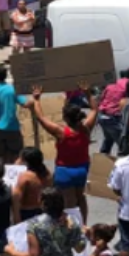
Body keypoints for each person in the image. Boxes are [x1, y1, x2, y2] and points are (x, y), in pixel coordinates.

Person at [32, 84, 100, 224]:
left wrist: (37, 99)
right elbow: (95, 109)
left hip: (65, 171)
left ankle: (71, 229)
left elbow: (41, 118)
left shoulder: (61, 132)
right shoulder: (86, 128)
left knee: (69, 204)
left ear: (66, 118)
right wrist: (87, 93)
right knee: (81, 199)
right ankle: (83, 225)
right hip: (82, 169)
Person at [14, 147, 51, 223]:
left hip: (27, 213)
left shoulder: (25, 177)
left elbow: (16, 198)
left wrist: (17, 219)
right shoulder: (46, 172)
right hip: (43, 209)